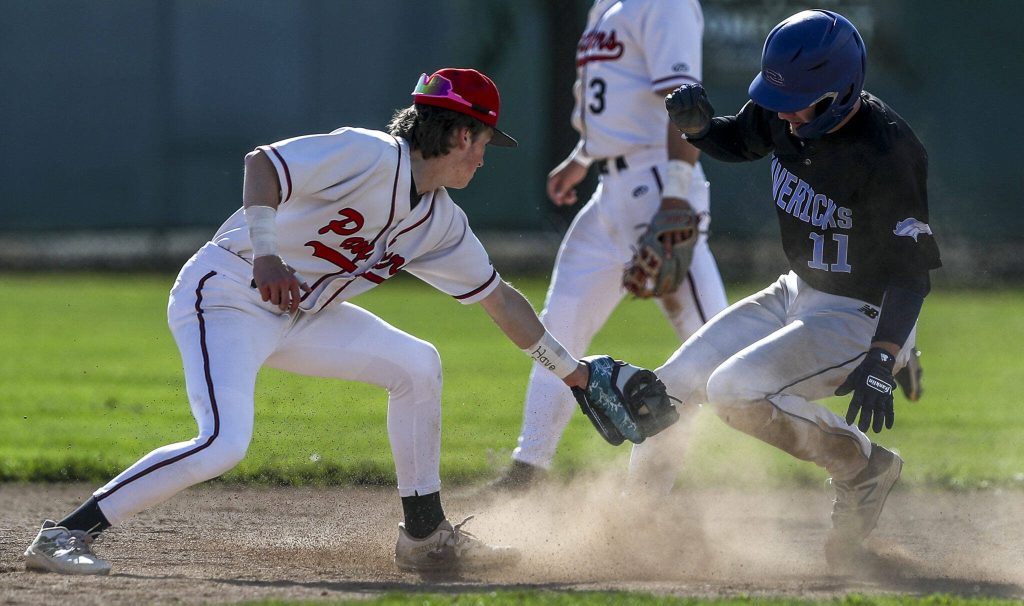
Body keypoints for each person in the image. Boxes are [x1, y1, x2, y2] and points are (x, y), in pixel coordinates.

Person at [23, 68, 609, 575]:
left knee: (417, 364)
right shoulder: (369, 154)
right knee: (225, 442)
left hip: (301, 314)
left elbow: (501, 301)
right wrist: (268, 251)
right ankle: (66, 534)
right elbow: (264, 166)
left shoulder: (441, 222)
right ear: (461, 133)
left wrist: (573, 374)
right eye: (483, 141)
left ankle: (426, 537)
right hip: (228, 289)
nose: (483, 156)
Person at [632, 9, 941, 565]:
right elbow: (741, 140)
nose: (787, 111)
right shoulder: (786, 108)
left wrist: (882, 359)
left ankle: (862, 467)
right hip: (796, 289)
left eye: (803, 97)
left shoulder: (888, 151)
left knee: (733, 390)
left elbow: (910, 274)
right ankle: (632, 530)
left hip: (861, 313)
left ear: (843, 90)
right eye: (780, 96)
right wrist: (702, 130)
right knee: (669, 385)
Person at [491, 0, 728, 490]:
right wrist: (583, 156)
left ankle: (847, 452)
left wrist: (675, 197)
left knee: (726, 358)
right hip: (608, 194)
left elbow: (686, 105)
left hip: (658, 182)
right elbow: (616, 99)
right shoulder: (605, 5)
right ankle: (528, 470)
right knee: (556, 331)